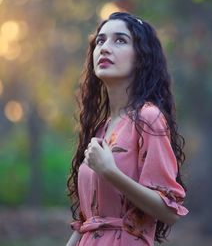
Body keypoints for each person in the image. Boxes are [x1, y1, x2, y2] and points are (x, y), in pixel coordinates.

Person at [66, 12, 188, 246]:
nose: (105, 48)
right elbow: (87, 224)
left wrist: (110, 172)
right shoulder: (100, 129)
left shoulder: (148, 118)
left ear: (141, 56)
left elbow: (169, 213)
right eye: (100, 41)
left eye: (120, 40)